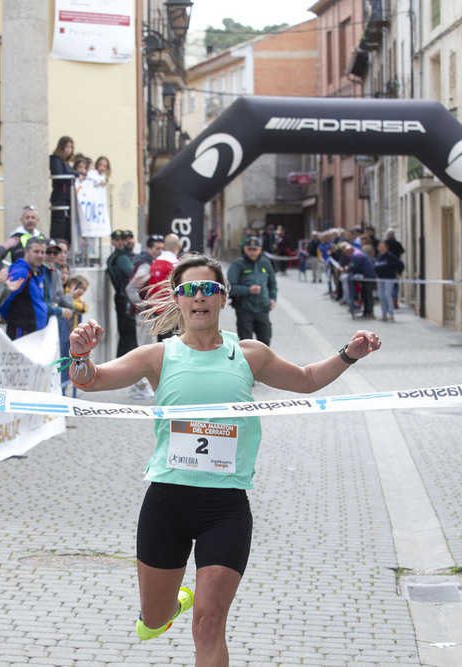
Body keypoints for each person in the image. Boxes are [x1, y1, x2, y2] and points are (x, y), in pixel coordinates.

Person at [65, 254, 381, 664]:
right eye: (189, 290)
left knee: (209, 622)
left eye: (209, 289)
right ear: (177, 300)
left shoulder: (250, 354)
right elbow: (90, 382)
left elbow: (305, 380)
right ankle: (168, 606)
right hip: (166, 502)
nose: (200, 297)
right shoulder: (157, 357)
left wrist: (349, 353)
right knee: (154, 621)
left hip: (225, 507)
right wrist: (79, 355)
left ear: (223, 298)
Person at [227, 237, 278, 346]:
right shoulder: (238, 264)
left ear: (260, 249)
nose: (252, 252)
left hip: (263, 308)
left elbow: (272, 283)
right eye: (250, 249)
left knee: (265, 340)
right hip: (245, 309)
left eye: (255, 249)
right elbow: (230, 288)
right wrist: (248, 290)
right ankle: (248, 364)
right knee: (247, 344)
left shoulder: (266, 263)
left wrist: (273, 298)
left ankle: (262, 363)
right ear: (245, 249)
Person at [0, 237, 49, 340]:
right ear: (26, 251)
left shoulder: (37, 271)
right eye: (36, 251)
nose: (40, 255)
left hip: (35, 331)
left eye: (43, 252)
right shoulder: (21, 272)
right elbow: (7, 296)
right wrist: (2, 315)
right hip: (22, 330)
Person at [106, 229, 137, 357]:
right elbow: (133, 274)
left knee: (127, 334)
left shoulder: (119, 256)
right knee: (128, 334)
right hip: (125, 297)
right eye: (124, 239)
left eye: (130, 238)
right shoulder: (122, 258)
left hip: (124, 297)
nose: (127, 242)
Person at [49, 135, 79, 243]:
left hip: (67, 198)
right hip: (60, 198)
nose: (69, 150)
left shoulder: (66, 162)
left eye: (71, 147)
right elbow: (59, 175)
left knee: (68, 230)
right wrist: (76, 174)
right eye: (66, 147)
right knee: (59, 229)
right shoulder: (56, 160)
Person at [373, 240, 404, 322]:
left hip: (389, 278)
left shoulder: (390, 256)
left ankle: (391, 314)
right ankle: (384, 315)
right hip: (380, 278)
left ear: (387, 248)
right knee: (381, 296)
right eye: (380, 247)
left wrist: (398, 273)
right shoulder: (378, 256)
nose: (381, 249)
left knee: (387, 295)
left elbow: (400, 264)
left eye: (383, 247)